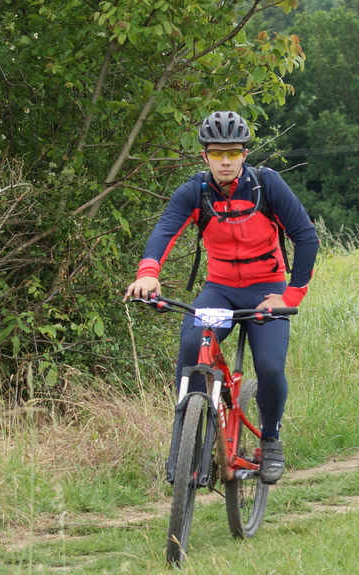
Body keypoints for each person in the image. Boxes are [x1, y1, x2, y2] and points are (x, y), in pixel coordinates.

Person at [124, 111, 319, 484]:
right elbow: (165, 229)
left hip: (268, 290)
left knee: (269, 366)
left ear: (244, 154)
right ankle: (187, 442)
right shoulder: (195, 191)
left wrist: (290, 295)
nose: (225, 161)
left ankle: (270, 441)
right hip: (220, 291)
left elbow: (306, 237)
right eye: (216, 153)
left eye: (232, 153)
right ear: (205, 156)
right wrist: (148, 273)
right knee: (191, 346)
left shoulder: (267, 185)